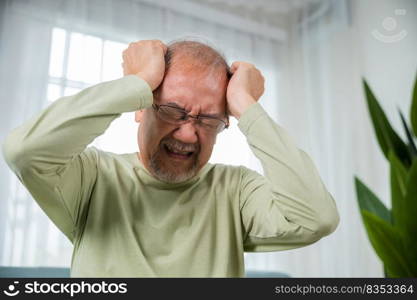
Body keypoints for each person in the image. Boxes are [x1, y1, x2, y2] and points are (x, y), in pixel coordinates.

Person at [2, 39, 339, 277]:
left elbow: (316, 218)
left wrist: (247, 105)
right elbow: (23, 151)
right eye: (173, 111)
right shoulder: (93, 177)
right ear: (139, 107)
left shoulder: (236, 190)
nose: (189, 134)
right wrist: (137, 82)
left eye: (208, 120)